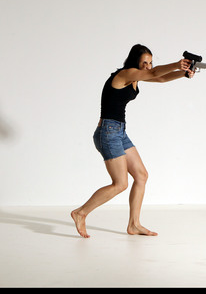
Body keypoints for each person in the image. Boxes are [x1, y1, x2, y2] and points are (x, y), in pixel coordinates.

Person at [71, 44, 194, 238]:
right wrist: (178, 65)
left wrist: (184, 73)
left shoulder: (138, 78)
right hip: (108, 132)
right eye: (144, 62)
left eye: (150, 62)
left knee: (141, 175)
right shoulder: (126, 74)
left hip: (119, 132)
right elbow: (155, 73)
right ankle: (80, 212)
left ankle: (134, 224)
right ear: (135, 62)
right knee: (120, 184)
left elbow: (160, 78)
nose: (148, 66)